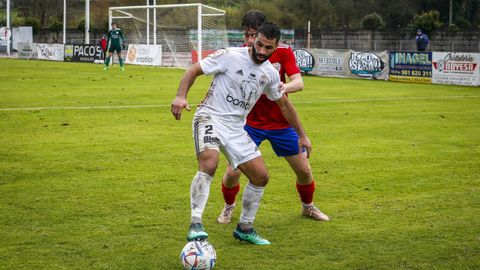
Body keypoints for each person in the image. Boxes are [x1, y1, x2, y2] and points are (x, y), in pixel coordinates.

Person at [171, 22, 312, 245]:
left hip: (236, 128)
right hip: (210, 117)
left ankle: (245, 227)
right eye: (259, 44)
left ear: (276, 48)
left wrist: (302, 135)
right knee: (210, 163)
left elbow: (284, 105)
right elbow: (193, 70)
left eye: (268, 48)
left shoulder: (270, 74)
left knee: (260, 176)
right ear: (253, 39)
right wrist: (181, 96)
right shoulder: (230, 55)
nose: (262, 51)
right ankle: (195, 223)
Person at [216, 10, 329, 225]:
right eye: (246, 35)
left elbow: (299, 82)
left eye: (253, 35)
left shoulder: (282, 52)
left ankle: (308, 207)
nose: (249, 41)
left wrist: (279, 88)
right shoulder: (239, 54)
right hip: (249, 125)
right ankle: (228, 208)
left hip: (281, 124)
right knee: (232, 173)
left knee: (304, 171)